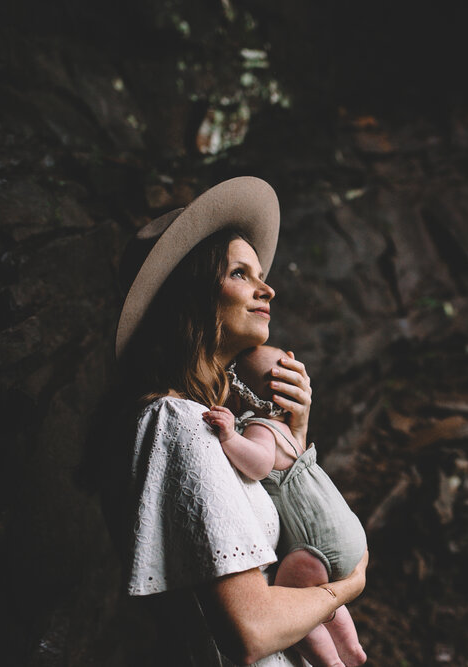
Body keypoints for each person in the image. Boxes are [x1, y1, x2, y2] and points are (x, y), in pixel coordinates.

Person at [95, 176, 367, 666]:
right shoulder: (178, 423)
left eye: (260, 273)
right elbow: (252, 630)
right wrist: (347, 586)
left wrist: (292, 436)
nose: (268, 288)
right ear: (192, 296)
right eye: (241, 273)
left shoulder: (214, 423)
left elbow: (270, 553)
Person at [203, 345, 367, 667]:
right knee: (326, 600)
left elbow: (260, 464)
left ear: (242, 394)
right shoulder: (290, 433)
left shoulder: (259, 428)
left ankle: (330, 662)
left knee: (294, 601)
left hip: (314, 545)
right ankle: (353, 651)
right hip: (348, 536)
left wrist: (229, 438)